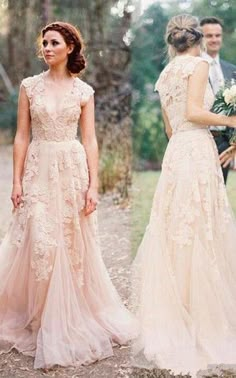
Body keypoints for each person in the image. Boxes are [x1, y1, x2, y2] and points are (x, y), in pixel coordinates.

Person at [0, 21, 137, 369]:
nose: (46, 48)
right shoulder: (29, 87)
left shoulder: (84, 92)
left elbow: (89, 139)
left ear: (70, 48)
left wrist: (93, 184)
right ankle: (38, 315)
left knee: (70, 242)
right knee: (40, 241)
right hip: (39, 167)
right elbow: (20, 137)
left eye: (54, 42)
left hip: (71, 168)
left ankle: (67, 314)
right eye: (44, 42)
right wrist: (16, 182)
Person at [131, 14, 236, 377]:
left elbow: (170, 125)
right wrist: (232, 121)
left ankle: (178, 310)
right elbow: (195, 112)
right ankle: (201, 317)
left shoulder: (166, 73)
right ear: (199, 41)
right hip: (196, 150)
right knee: (201, 227)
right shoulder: (200, 65)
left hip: (176, 151)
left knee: (177, 227)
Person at [200, 17, 236, 183]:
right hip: (199, 139)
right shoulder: (192, 67)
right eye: (209, 36)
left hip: (224, 142)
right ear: (200, 38)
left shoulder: (232, 70)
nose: (214, 39)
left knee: (219, 195)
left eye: (217, 35)